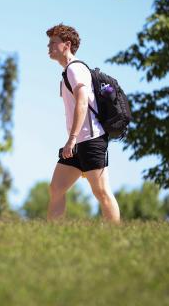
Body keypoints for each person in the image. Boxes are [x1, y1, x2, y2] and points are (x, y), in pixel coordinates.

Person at [46, 23, 120, 222]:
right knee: (56, 189)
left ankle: (117, 238)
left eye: (53, 42)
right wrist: (72, 140)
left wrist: (71, 139)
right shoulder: (67, 73)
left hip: (91, 140)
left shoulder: (75, 69)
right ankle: (53, 236)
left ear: (66, 45)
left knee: (102, 192)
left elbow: (82, 101)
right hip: (78, 142)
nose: (49, 46)